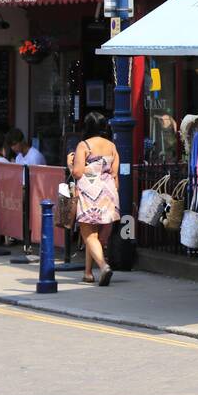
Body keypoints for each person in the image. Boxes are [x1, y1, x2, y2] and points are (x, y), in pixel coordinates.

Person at [69, 112, 120, 286]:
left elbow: (77, 172)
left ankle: (104, 266)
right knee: (97, 238)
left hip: (90, 193)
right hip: (109, 194)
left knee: (88, 235)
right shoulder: (112, 146)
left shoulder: (83, 145)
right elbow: (115, 175)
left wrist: (70, 164)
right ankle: (88, 273)